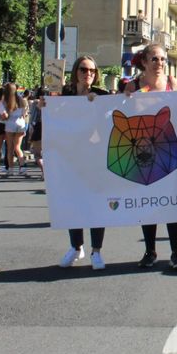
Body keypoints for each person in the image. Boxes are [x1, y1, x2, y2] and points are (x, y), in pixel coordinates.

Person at [125, 43, 177, 271]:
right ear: (144, 62)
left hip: (168, 151)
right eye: (155, 59)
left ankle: (176, 252)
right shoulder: (132, 86)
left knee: (173, 204)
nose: (160, 63)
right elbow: (114, 111)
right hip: (142, 154)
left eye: (163, 59)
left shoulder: (173, 84)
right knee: (148, 203)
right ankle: (150, 250)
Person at [58, 57, 110, 270]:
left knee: (95, 203)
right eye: (83, 69)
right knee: (73, 202)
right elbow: (54, 117)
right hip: (69, 156)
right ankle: (75, 246)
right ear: (75, 72)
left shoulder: (103, 96)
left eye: (91, 70)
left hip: (95, 156)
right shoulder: (64, 94)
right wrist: (44, 105)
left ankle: (96, 251)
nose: (88, 73)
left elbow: (112, 121)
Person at [0, 83, 29, 177]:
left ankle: (11, 169)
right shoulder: (21, 99)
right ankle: (23, 166)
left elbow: (4, 115)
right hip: (20, 123)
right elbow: (25, 113)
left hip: (10, 123)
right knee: (18, 147)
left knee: (10, 148)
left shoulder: (5, 101)